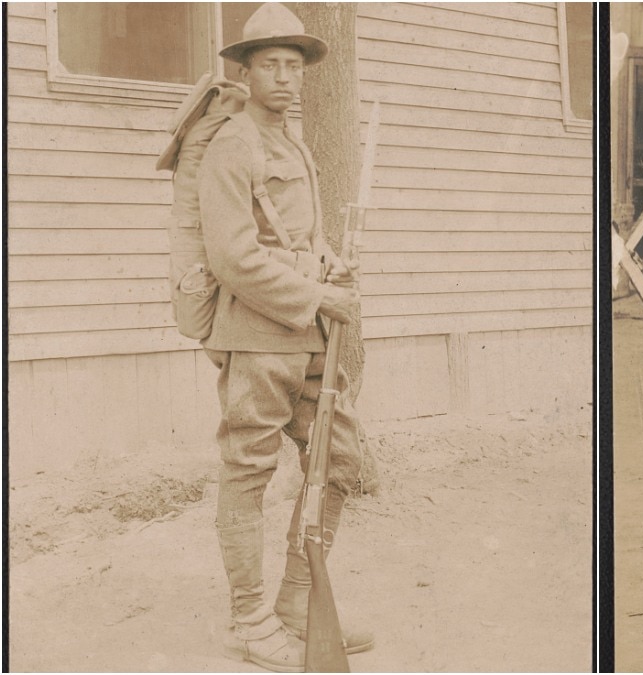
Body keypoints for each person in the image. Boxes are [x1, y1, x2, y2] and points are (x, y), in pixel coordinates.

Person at [198, 3, 373, 671]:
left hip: (308, 333)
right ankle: (248, 619)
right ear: (245, 72)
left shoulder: (293, 143)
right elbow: (233, 257)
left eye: (294, 67)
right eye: (270, 64)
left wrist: (328, 261)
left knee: (337, 459)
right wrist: (316, 293)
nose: (285, 79)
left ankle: (298, 603)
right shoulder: (232, 146)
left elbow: (303, 232)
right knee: (248, 469)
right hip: (258, 334)